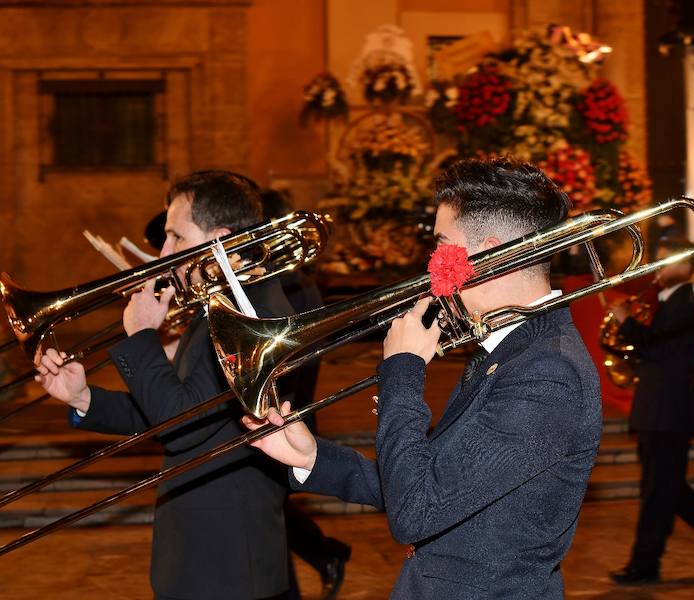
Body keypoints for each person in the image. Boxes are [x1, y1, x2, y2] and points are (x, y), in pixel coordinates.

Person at [245, 157, 602, 599]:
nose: (433, 263)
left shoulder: (548, 374)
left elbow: (416, 512)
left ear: (488, 253)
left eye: (442, 245)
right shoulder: (512, 350)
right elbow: (428, 481)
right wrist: (312, 457)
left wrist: (403, 370)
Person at [36, 170, 296, 600]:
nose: (163, 252)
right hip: (198, 552)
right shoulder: (218, 303)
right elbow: (176, 408)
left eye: (175, 236)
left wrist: (141, 337)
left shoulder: (253, 315)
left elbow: (181, 423)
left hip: (227, 564)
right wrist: (83, 397)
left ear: (220, 239)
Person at [607, 238, 694, 585]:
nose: (658, 268)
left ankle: (645, 564)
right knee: (667, 489)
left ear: (687, 267)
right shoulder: (666, 304)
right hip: (657, 410)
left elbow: (659, 347)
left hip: (668, 413)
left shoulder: (685, 304)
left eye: (666, 262)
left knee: (658, 492)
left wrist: (625, 321)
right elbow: (652, 352)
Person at [260, 189, 351, 600]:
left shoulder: (288, 289)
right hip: (288, 413)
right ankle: (324, 555)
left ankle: (324, 554)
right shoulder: (296, 283)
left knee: (267, 516)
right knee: (268, 516)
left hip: (286, 415)